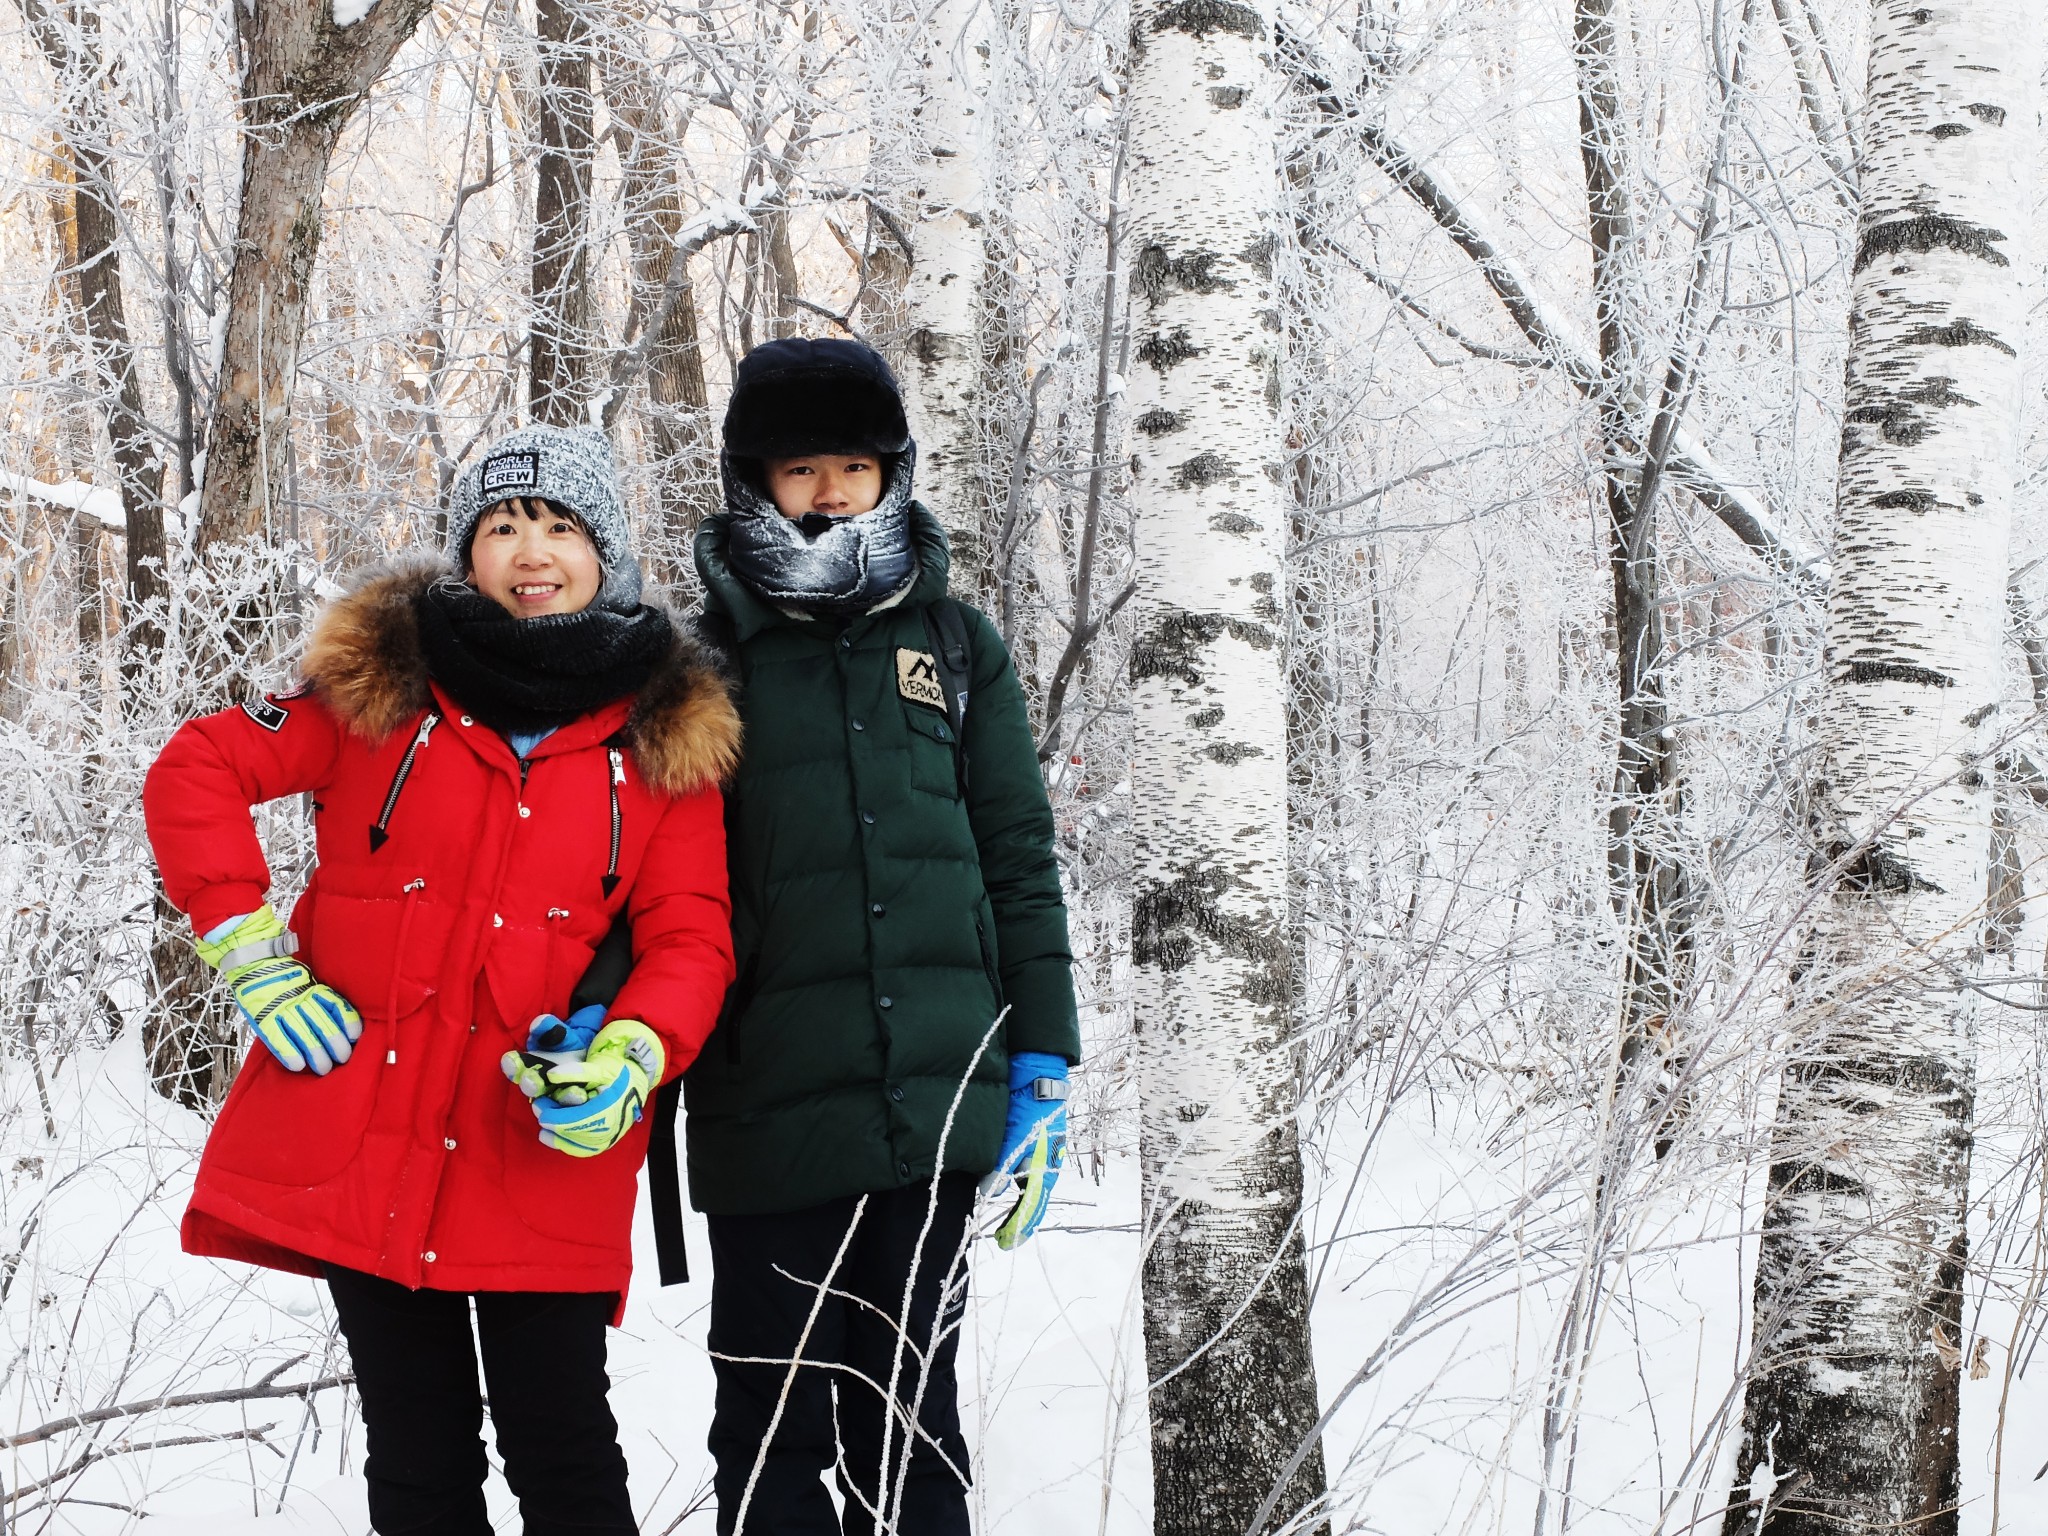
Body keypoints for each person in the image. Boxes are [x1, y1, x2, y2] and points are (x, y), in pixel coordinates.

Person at [143, 425, 741, 1536]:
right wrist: (249, 951)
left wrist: (636, 1054)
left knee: (562, 1450)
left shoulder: (662, 747)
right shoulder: (380, 696)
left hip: (538, 1145)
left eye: (561, 526)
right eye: (502, 525)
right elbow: (200, 766)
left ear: (603, 551)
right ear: (464, 551)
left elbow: (692, 935)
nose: (531, 550)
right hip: (372, 1142)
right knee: (416, 1455)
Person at [685, 337, 1082, 1535]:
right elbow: (658, 883)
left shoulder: (955, 642)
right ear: (753, 478)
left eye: (851, 465)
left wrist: (1041, 1055)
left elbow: (1015, 850)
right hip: (768, 1103)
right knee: (770, 1439)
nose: (827, 492)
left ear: (889, 472)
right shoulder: (702, 658)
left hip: (933, 1103)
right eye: (800, 467)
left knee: (912, 1424)